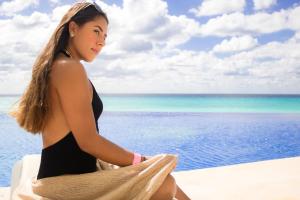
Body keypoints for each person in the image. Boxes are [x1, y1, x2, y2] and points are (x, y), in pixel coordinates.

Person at [9, 1, 190, 199]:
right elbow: (89, 142)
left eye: (105, 36)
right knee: (163, 182)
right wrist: (141, 160)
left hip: (81, 173)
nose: (102, 41)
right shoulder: (69, 68)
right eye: (96, 31)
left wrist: (146, 164)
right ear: (73, 28)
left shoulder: (60, 65)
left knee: (161, 174)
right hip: (64, 185)